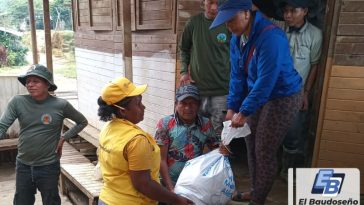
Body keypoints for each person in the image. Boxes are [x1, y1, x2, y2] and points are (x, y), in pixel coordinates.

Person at [210, 0, 303, 204]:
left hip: (282, 96)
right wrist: (232, 107)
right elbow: (237, 76)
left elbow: (266, 80)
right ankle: (256, 189)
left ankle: (258, 199)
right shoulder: (237, 38)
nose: (228, 26)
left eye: (231, 20)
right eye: (224, 22)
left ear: (246, 13)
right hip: (258, 94)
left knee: (264, 148)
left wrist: (243, 112)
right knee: (250, 142)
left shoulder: (271, 37)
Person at [0, 64, 88, 205]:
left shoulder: (61, 105)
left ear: (47, 84)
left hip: (48, 166)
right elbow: (2, 126)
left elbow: (82, 122)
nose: (30, 85)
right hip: (23, 165)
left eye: (36, 81)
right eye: (28, 81)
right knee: (22, 202)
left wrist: (63, 138)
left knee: (51, 201)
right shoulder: (18, 102)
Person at [96, 77, 192, 205]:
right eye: (138, 103)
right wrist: (177, 200)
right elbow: (144, 184)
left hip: (107, 199)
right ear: (122, 111)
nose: (144, 107)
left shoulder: (108, 129)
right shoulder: (136, 140)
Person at [280, 0, 322, 178]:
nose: (288, 15)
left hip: (297, 92)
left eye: (293, 11)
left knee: (294, 131)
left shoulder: (315, 34)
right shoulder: (278, 29)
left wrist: (306, 92)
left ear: (304, 11)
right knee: (271, 130)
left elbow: (314, 65)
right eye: (285, 11)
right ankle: (270, 167)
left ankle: (287, 168)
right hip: (274, 91)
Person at [155, 84, 223, 191]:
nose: (188, 108)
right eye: (183, 103)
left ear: (199, 105)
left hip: (194, 182)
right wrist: (170, 188)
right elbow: (161, 159)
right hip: (169, 182)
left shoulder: (205, 123)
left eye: (192, 103)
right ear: (176, 104)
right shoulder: (165, 124)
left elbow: (216, 150)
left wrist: (223, 148)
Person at [179, 0, 231, 139]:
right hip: (197, 90)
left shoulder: (228, 24)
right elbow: (184, 49)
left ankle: (219, 160)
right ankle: (197, 160)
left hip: (222, 90)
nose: (213, 7)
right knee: (196, 130)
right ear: (204, 2)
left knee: (219, 131)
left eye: (218, 3)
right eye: (210, 2)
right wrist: (184, 71)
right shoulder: (193, 23)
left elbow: (237, 55)